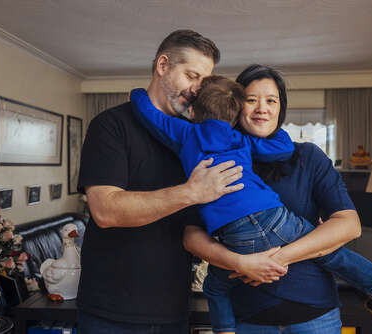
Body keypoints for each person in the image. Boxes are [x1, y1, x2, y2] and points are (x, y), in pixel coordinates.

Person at [130, 75, 372, 334]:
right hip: (255, 295)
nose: (262, 109)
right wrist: (244, 263)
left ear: (281, 107)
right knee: (335, 255)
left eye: (272, 101)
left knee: (215, 286)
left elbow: (349, 225)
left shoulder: (191, 136)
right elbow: (191, 236)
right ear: (236, 108)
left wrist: (265, 260)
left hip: (306, 304)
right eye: (251, 100)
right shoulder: (239, 145)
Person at [76, 30, 288, 334]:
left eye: (204, 82)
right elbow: (105, 211)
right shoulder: (111, 125)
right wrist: (192, 192)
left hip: (174, 309)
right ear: (163, 65)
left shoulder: (198, 134)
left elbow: (196, 229)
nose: (196, 90)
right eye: (191, 75)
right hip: (110, 311)